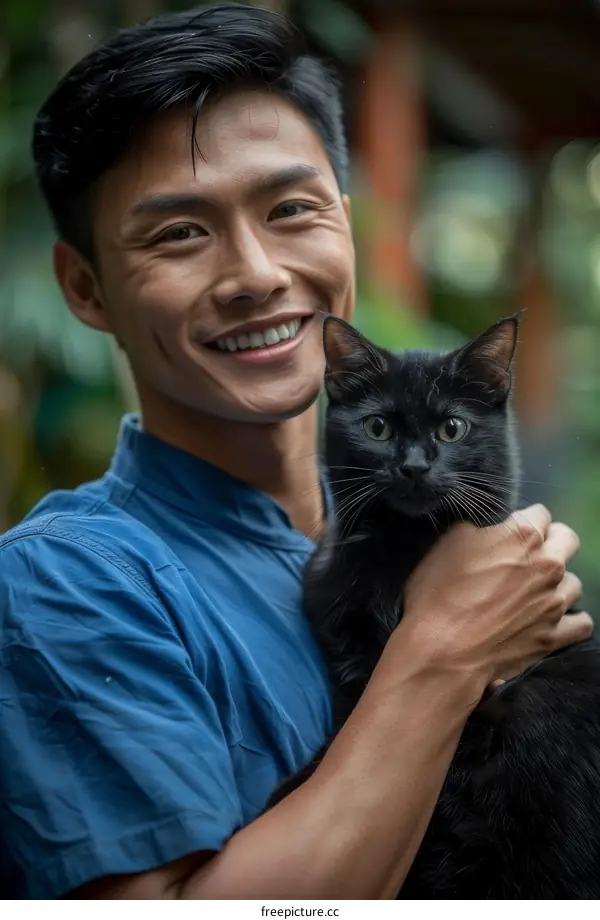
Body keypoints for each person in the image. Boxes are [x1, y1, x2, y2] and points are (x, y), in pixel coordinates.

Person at [0, 2, 591, 901]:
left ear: (344, 226)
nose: (256, 274)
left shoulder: (435, 537)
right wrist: (442, 655)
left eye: (290, 209)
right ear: (86, 289)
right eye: (180, 232)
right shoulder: (67, 583)